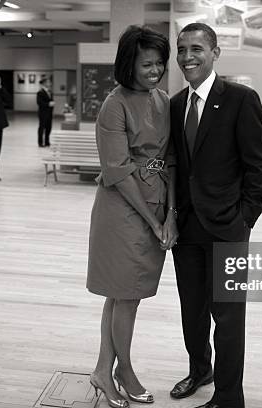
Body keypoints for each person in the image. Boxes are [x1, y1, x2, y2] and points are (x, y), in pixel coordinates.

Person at [169, 23, 262, 408]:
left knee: (228, 320)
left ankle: (229, 397)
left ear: (215, 53)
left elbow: (260, 166)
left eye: (196, 48)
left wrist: (245, 217)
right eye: (181, 49)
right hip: (187, 228)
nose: (187, 56)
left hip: (228, 228)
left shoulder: (241, 99)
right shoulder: (176, 103)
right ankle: (200, 370)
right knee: (192, 312)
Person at [86, 25, 176, 408]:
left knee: (122, 297)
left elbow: (172, 161)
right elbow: (118, 171)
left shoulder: (163, 100)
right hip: (122, 210)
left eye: (159, 63)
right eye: (145, 64)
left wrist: (170, 214)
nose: (154, 71)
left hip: (156, 203)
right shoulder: (115, 104)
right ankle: (123, 369)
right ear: (128, 64)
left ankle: (102, 371)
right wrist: (153, 220)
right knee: (126, 297)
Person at [36, 78, 54, 147]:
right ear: (44, 83)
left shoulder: (50, 92)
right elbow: (39, 102)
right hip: (43, 113)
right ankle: (40, 142)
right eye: (48, 82)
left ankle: (47, 141)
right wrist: (48, 104)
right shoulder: (40, 92)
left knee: (48, 127)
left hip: (49, 113)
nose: (50, 84)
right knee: (42, 127)